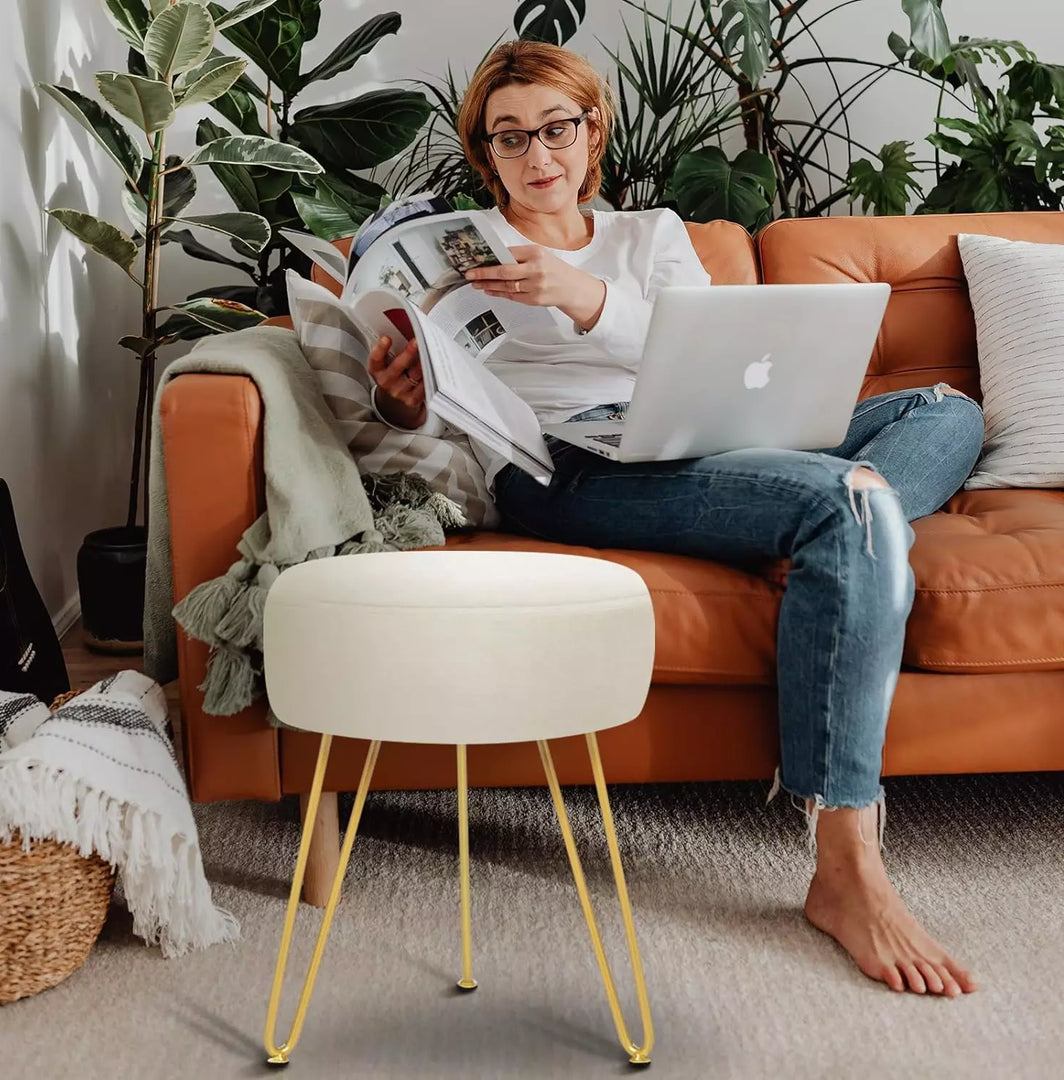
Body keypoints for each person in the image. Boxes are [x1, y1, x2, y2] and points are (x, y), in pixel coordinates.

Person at [367, 40, 983, 998]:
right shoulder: (456, 250)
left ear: (593, 132)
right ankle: (848, 866)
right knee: (848, 501)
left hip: (704, 436)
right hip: (567, 463)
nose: (539, 156)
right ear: (486, 154)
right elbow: (439, 413)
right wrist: (399, 400)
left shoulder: (649, 235)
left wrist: (588, 299)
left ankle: (838, 541)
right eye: (512, 138)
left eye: (557, 130)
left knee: (941, 411)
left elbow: (705, 354)